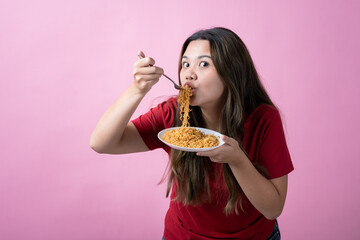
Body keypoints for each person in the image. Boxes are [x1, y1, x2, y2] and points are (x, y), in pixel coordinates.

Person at [90, 27, 294, 240]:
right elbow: (101, 143)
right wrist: (137, 89)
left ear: (232, 71)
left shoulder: (264, 119)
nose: (189, 73)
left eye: (203, 64)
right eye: (185, 64)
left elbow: (273, 209)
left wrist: (238, 160)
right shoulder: (173, 113)